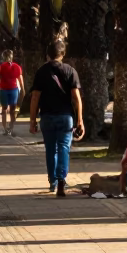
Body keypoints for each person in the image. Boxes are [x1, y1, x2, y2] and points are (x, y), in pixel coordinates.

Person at [29, 40, 85, 198]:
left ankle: (53, 181)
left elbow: (35, 97)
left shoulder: (41, 72)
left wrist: (32, 120)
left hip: (46, 116)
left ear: (48, 54)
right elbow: (76, 98)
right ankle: (62, 178)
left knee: (50, 149)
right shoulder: (70, 71)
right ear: (63, 54)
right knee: (64, 148)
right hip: (65, 117)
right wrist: (80, 119)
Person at [0, 50, 23, 136]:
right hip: (14, 89)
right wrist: (23, 90)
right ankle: (11, 127)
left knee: (4, 109)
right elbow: (20, 79)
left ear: (3, 57)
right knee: (12, 111)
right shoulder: (17, 67)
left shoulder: (1, 66)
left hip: (4, 89)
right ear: (12, 56)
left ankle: (5, 129)